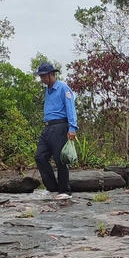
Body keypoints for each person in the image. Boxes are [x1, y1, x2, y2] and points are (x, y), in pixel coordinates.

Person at [35, 61, 77, 199]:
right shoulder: (47, 90)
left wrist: (72, 128)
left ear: (51, 74)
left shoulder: (63, 88)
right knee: (40, 157)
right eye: (40, 76)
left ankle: (65, 191)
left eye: (43, 76)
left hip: (60, 126)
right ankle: (52, 188)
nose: (41, 79)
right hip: (48, 127)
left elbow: (70, 108)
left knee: (60, 160)